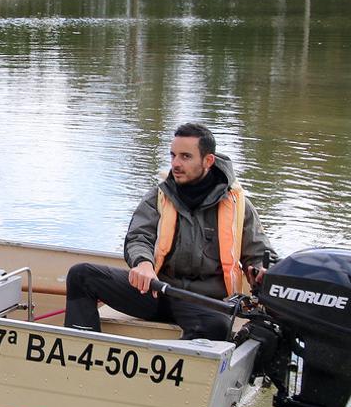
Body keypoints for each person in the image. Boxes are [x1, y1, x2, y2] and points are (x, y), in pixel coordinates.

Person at [64, 123, 276, 340]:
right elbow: (138, 237)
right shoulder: (159, 196)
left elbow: (260, 253)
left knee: (216, 325)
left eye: (185, 157)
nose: (176, 164)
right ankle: (78, 359)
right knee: (82, 275)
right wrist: (143, 264)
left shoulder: (238, 205)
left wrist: (262, 271)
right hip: (157, 293)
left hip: (207, 303)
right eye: (173, 155)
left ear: (208, 161)